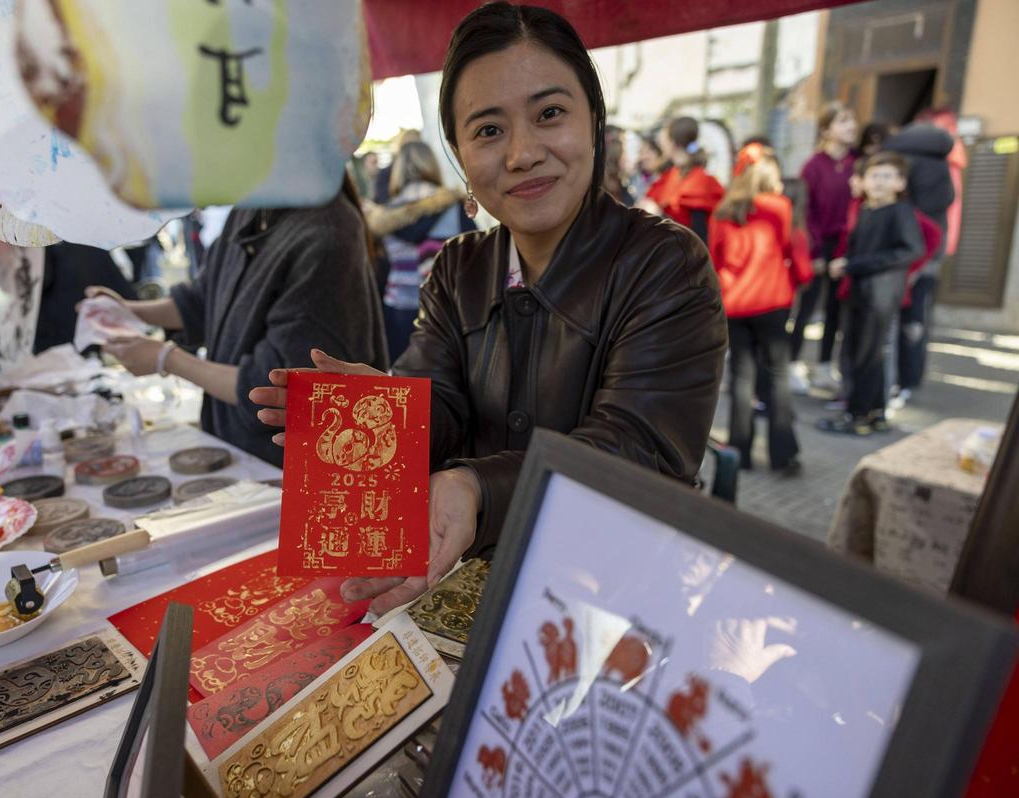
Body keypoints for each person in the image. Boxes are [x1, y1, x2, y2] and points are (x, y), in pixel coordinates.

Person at [251, 2, 726, 614]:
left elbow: (637, 449)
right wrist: (390, 414)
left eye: (550, 114)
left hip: (613, 597)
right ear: (458, 154)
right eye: (488, 129)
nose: (522, 153)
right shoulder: (460, 266)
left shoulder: (664, 262)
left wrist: (478, 483)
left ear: (594, 124)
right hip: (477, 587)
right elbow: (443, 405)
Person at [90, 174, 389, 466]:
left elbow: (278, 384)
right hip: (234, 448)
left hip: (286, 466)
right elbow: (205, 296)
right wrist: (129, 311)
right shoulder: (253, 208)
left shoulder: (327, 233)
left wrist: (167, 359)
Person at [710, 144, 810, 474]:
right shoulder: (779, 206)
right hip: (772, 300)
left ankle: (740, 451)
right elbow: (789, 246)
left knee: (741, 375)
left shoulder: (722, 211)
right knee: (778, 375)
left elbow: (715, 256)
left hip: (735, 302)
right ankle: (784, 454)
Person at [820, 152, 924, 435]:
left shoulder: (900, 212)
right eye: (874, 176)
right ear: (863, 181)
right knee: (862, 353)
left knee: (865, 355)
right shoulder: (867, 211)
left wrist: (854, 264)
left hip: (880, 294)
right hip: (859, 293)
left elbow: (912, 250)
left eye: (887, 176)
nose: (879, 182)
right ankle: (875, 412)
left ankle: (857, 416)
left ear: (900, 183)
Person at [378, 140, 476, 360]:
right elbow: (474, 256)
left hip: (398, 307)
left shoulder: (385, 215)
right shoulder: (452, 205)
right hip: (446, 309)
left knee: (404, 386)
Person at [882, 119, 955, 398]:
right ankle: (909, 380)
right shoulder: (940, 166)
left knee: (899, 322)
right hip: (928, 257)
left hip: (909, 257)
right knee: (916, 321)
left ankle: (898, 381)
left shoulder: (905, 160)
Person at [790, 102, 859, 395]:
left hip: (847, 248)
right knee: (807, 308)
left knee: (835, 310)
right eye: (843, 121)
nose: (851, 126)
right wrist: (815, 252)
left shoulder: (858, 165)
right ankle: (792, 364)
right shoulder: (813, 166)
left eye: (852, 121)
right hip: (818, 247)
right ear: (826, 129)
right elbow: (806, 212)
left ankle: (823, 366)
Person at [640, 116, 725, 243]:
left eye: (665, 139)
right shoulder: (671, 175)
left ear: (673, 142)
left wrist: (659, 214)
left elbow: (699, 235)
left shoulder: (701, 182)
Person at [602, 126, 635, 205]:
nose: (626, 158)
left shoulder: (618, 183)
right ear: (616, 157)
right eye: (624, 153)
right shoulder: (610, 189)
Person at [629, 135, 665, 202]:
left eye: (648, 151)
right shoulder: (634, 177)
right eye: (641, 152)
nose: (644, 157)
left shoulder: (668, 178)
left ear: (660, 154)